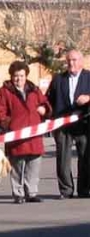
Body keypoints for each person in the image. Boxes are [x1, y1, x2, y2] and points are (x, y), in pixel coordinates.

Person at [0, 61, 51, 204]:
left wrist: (44, 109)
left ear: (26, 76)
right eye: (15, 76)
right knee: (17, 166)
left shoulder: (34, 89)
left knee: (34, 165)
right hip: (16, 136)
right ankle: (18, 193)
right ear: (11, 76)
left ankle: (31, 192)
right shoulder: (4, 91)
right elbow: (0, 113)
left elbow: (45, 103)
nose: (18, 79)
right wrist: (10, 125)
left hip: (34, 135)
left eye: (21, 75)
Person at [46, 49, 90, 199]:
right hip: (63, 124)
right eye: (69, 60)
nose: (71, 63)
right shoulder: (58, 79)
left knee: (85, 157)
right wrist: (45, 112)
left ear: (81, 61)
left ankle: (84, 189)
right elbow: (48, 100)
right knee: (63, 158)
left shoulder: (88, 77)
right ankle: (66, 190)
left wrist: (88, 98)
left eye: (74, 60)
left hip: (84, 124)